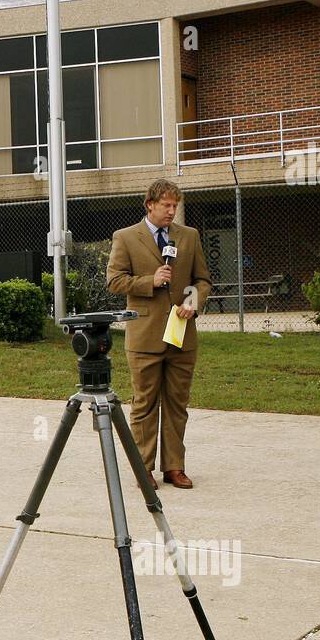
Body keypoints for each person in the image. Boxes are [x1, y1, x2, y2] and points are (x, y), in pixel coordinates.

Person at [107, 180, 212, 489]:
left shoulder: (189, 237)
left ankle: (174, 467)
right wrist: (148, 281)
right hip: (144, 336)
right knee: (145, 404)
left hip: (181, 335)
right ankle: (144, 468)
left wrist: (192, 301)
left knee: (178, 404)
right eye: (166, 205)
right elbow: (114, 281)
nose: (171, 211)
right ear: (149, 205)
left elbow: (203, 280)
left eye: (175, 205)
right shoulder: (125, 238)